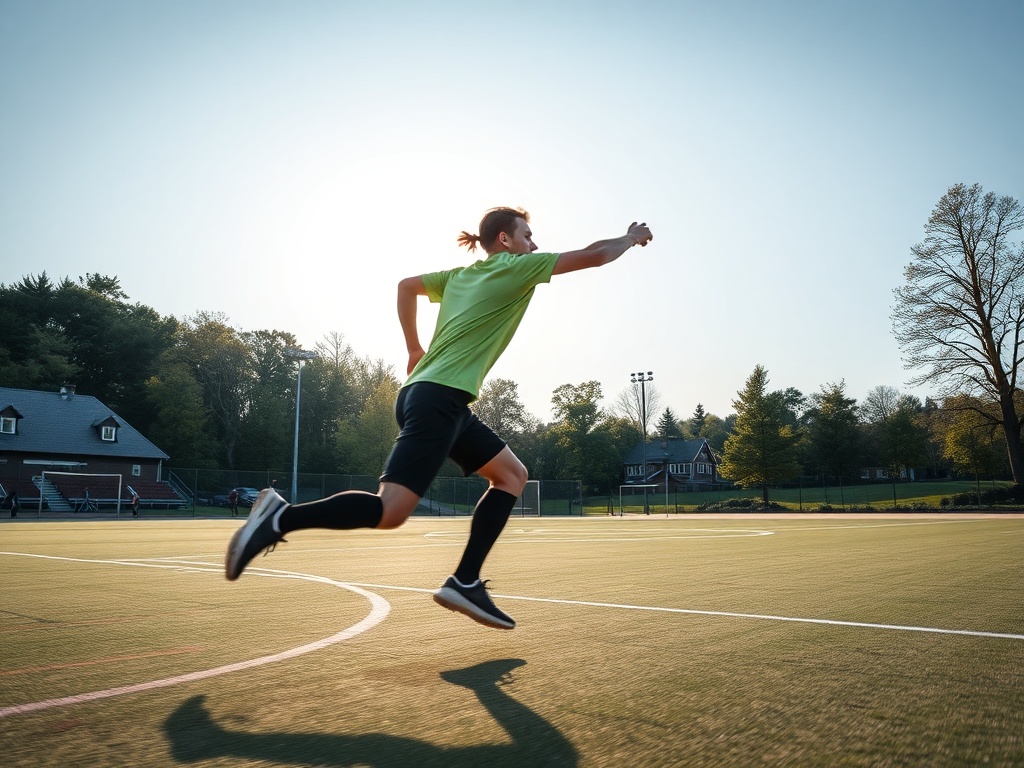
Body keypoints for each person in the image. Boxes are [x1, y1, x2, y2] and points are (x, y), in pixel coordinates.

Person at [225, 207, 653, 629]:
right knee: (391, 511)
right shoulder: (514, 268)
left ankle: (465, 581)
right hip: (439, 399)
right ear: (504, 240)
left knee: (511, 475)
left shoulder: (459, 277)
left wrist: (413, 348)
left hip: (436, 397)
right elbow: (594, 254)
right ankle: (280, 518)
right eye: (527, 235)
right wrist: (630, 238)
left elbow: (406, 286)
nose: (534, 244)